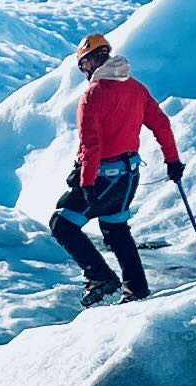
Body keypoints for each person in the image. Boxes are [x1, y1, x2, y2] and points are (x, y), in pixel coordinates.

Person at [50, 33, 182, 306]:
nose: (84, 71)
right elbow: (161, 124)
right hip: (129, 176)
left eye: (84, 65)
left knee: (62, 224)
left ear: (91, 61)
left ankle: (100, 276)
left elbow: (91, 144)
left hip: (101, 177)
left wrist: (86, 184)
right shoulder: (136, 88)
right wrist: (172, 161)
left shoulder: (93, 95)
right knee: (116, 229)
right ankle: (137, 289)